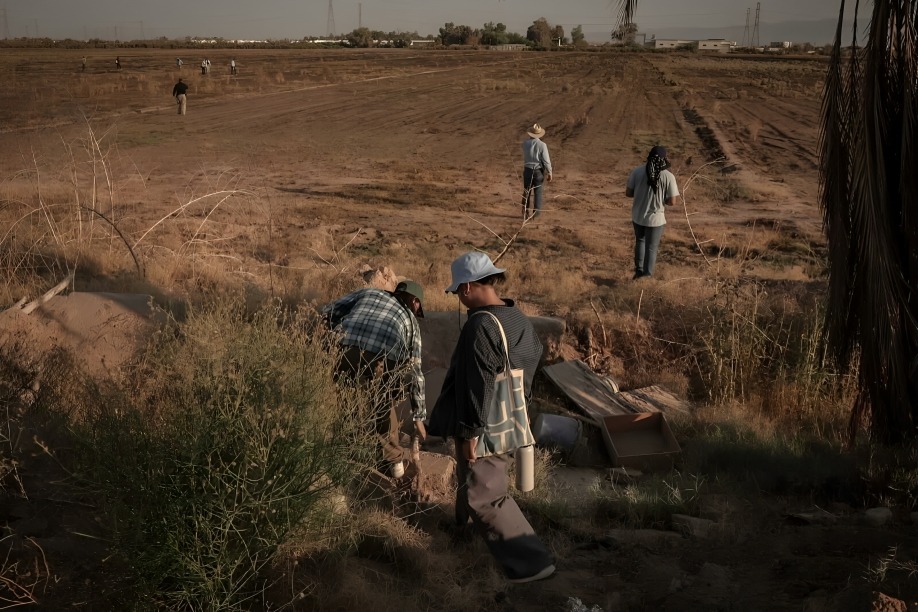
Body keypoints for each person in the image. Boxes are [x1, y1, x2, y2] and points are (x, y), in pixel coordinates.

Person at [427, 251, 555, 584]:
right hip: (511, 416)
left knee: (485, 494)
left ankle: (532, 562)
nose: (458, 297)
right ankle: (463, 534)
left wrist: (470, 434)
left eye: (457, 291)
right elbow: (532, 353)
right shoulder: (514, 315)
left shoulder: (480, 325)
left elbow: (478, 383)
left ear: (468, 286)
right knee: (472, 481)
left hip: (485, 424)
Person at [323, 280, 427, 476]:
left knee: (347, 398)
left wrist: (336, 334)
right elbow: (415, 372)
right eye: (419, 307)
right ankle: (394, 462)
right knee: (383, 401)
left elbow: (329, 310)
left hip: (343, 351)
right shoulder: (410, 321)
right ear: (414, 301)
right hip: (380, 361)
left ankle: (348, 450)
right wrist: (419, 416)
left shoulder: (368, 293)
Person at [626, 145, 680, 279]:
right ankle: (647, 276)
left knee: (640, 241)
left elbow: (628, 193)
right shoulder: (668, 176)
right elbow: (672, 202)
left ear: (649, 156)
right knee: (652, 248)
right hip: (656, 219)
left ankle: (638, 272)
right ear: (664, 158)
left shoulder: (637, 171)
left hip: (638, 215)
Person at [521, 123, 553, 220]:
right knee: (538, 192)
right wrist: (550, 172)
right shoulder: (542, 145)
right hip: (538, 171)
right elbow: (546, 161)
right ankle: (535, 215)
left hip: (527, 170)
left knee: (526, 191)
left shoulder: (525, 144)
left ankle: (524, 212)